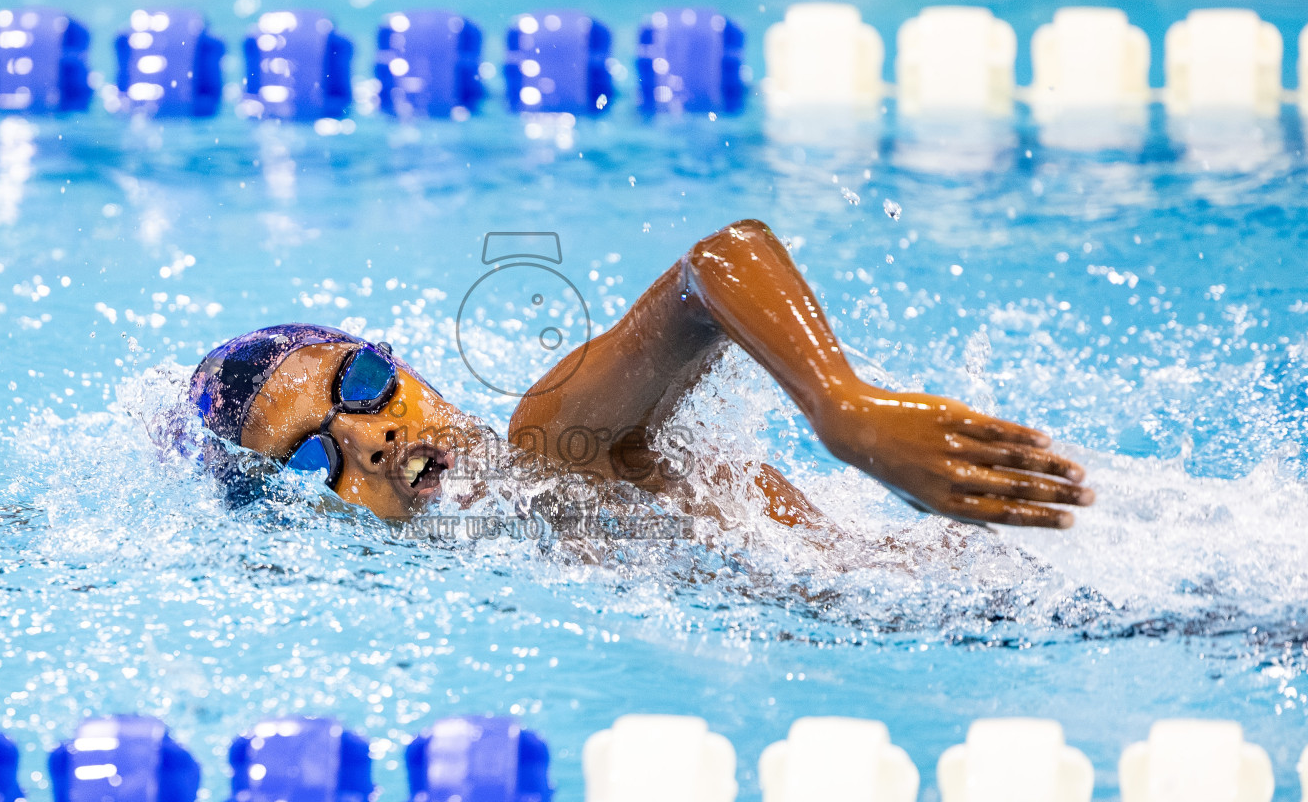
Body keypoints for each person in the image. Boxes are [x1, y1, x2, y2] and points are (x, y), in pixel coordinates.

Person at [188, 219, 1093, 530]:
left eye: (358, 386)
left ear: (405, 363)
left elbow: (718, 265)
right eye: (316, 461)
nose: (373, 440)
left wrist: (845, 410)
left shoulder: (550, 441)